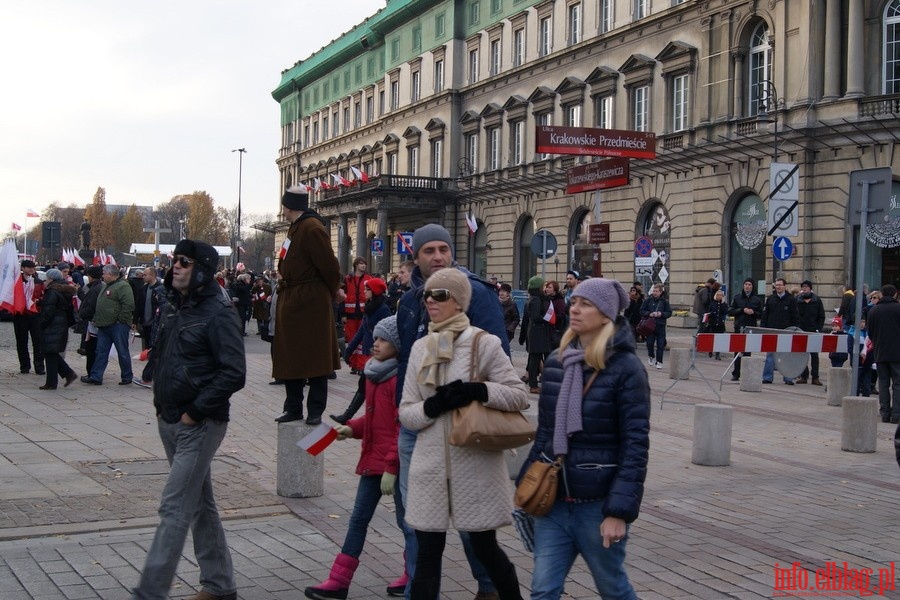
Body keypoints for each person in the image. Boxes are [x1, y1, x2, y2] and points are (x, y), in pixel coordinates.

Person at [395, 222, 510, 600]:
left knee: (479, 538)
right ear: (416, 257)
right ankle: (416, 587)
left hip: (468, 437)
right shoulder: (411, 300)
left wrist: (475, 390)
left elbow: (504, 370)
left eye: (443, 249)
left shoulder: (477, 295)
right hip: (422, 435)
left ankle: (489, 589)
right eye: (429, 251)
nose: (437, 256)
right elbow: (407, 381)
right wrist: (424, 408)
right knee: (422, 536)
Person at [518, 278, 650, 600]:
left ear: (606, 315)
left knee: (613, 589)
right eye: (574, 302)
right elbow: (546, 434)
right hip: (555, 502)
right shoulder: (556, 361)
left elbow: (635, 445)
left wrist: (619, 511)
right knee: (542, 590)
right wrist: (526, 482)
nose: (574, 309)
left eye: (585, 304)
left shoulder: (626, 368)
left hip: (598, 506)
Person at [130, 240, 246, 600]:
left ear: (202, 270)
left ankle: (149, 593)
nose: (175, 266)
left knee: (175, 506)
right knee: (199, 504)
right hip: (170, 418)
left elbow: (234, 372)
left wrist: (194, 412)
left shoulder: (219, 311)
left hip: (200, 422)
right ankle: (219, 584)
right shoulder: (173, 305)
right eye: (174, 260)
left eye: (184, 261)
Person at [305, 315, 408, 600]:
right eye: (374, 338)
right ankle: (339, 581)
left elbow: (402, 427)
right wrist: (351, 429)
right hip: (373, 462)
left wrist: (392, 467)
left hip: (394, 466)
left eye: (383, 339)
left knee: (407, 524)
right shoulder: (375, 374)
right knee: (357, 521)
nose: (375, 344)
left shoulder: (398, 379)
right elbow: (375, 420)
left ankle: (414, 575)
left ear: (397, 345)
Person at [273, 186, 342, 425]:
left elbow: (329, 265)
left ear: (288, 205)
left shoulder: (312, 228)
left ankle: (314, 410)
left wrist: (334, 289)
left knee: (315, 359)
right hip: (292, 299)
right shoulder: (294, 228)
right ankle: (293, 408)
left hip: (310, 301)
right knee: (291, 358)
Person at [331, 277, 392, 425]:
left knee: (367, 385)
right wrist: (349, 349)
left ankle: (350, 416)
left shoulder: (383, 309)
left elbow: (388, 333)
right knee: (365, 386)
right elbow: (362, 330)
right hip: (369, 352)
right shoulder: (370, 306)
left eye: (367, 289)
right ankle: (352, 416)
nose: (364, 291)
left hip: (378, 354)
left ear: (375, 291)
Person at [81, 264, 135, 386]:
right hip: (104, 324)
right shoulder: (106, 286)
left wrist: (121, 319)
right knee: (101, 351)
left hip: (118, 325)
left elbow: (128, 304)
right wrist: (97, 318)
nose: (102, 276)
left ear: (110, 274)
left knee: (122, 351)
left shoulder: (122, 286)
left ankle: (127, 376)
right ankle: (96, 376)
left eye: (104, 274)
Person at [37, 268, 78, 390]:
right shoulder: (64, 290)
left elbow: (49, 311)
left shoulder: (52, 291)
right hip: (61, 323)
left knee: (50, 352)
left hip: (53, 325)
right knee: (52, 352)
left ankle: (53, 382)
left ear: (52, 279)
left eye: (47, 278)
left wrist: (41, 323)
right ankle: (67, 374)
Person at [866, 285, 900, 423]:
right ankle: (897, 414)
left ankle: (885, 413)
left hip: (880, 352)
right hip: (898, 354)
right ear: (894, 295)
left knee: (883, 384)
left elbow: (870, 333)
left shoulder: (874, 311)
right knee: (898, 384)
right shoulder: (898, 309)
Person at [761, 278, 800, 385]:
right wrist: (763, 328)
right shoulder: (770, 299)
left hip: (786, 331)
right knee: (770, 356)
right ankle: (767, 377)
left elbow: (795, 316)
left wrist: (795, 329)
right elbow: (765, 315)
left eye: (780, 285)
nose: (778, 287)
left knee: (786, 356)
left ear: (784, 286)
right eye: (776, 285)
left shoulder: (791, 299)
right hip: (772, 331)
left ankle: (788, 378)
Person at [520, 276, 553, 394]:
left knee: (536, 359)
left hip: (537, 333)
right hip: (537, 334)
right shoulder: (535, 300)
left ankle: (538, 383)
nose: (543, 288)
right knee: (534, 360)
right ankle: (533, 386)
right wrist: (548, 318)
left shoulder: (534, 298)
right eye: (542, 286)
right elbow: (535, 317)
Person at [13, 259, 45, 375]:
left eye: (33, 267)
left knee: (38, 341)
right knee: (21, 341)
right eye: (29, 267)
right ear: (23, 268)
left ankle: (39, 366)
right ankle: (24, 366)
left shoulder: (38, 282)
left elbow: (43, 296)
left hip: (35, 314)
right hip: (20, 315)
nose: (31, 269)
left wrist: (39, 301)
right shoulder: (16, 281)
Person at [728, 278, 763, 381]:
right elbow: (730, 311)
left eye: (749, 284)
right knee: (738, 350)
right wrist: (741, 310)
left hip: (750, 327)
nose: (747, 286)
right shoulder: (737, 298)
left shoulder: (756, 299)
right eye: (746, 284)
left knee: (747, 351)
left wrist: (754, 312)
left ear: (752, 287)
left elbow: (761, 314)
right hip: (739, 326)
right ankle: (736, 373)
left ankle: (746, 373)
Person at [344, 257, 374, 373]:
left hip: (363, 314)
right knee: (352, 340)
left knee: (362, 341)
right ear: (356, 265)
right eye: (361, 264)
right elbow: (343, 297)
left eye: (364, 264)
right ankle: (353, 364)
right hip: (350, 314)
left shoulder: (369, 279)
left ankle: (361, 365)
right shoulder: (348, 279)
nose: (363, 266)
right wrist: (343, 314)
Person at [795, 280, 825, 385]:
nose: (804, 288)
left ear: (810, 288)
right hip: (801, 330)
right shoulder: (797, 300)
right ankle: (804, 375)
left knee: (814, 355)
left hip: (813, 330)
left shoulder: (817, 300)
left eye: (806, 287)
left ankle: (815, 377)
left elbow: (821, 316)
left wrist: (818, 328)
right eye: (803, 287)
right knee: (802, 354)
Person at [77, 265, 105, 378]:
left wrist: (81, 314)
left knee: (91, 349)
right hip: (93, 321)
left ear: (91, 276)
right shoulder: (97, 286)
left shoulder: (95, 289)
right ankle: (93, 373)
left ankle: (92, 373)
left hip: (91, 322)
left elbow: (91, 306)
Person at [640, 283, 671, 370]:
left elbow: (669, 312)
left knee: (660, 345)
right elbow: (641, 310)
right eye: (654, 291)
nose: (654, 293)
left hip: (660, 325)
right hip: (650, 326)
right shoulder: (648, 300)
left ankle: (659, 361)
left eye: (656, 291)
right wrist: (649, 313)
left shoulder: (664, 302)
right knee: (649, 343)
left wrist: (661, 314)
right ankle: (651, 355)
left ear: (661, 292)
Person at [134, 267, 165, 351]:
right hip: (145, 322)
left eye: (145, 275)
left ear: (152, 276)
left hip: (156, 323)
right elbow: (138, 305)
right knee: (147, 345)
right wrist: (135, 320)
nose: (143, 276)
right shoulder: (143, 289)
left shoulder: (161, 289)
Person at [704, 289, 729, 359]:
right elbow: (709, 312)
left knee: (719, 340)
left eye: (721, 295)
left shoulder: (723, 304)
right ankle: (710, 350)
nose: (719, 296)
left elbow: (725, 312)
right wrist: (711, 314)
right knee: (712, 338)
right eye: (718, 295)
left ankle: (718, 354)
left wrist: (723, 303)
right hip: (713, 323)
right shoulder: (712, 303)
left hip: (720, 324)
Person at [543, 280, 567, 348]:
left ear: (555, 289)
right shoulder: (546, 299)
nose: (547, 289)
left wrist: (551, 316)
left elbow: (562, 315)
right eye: (546, 287)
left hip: (556, 330)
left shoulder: (559, 301)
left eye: (549, 287)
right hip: (547, 331)